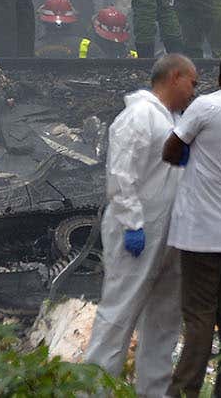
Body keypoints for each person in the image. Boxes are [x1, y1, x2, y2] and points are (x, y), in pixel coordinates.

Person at [84, 53, 195, 398]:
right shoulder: (139, 116)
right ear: (175, 77)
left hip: (169, 232)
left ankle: (154, 391)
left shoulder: (173, 120)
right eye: (192, 82)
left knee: (164, 319)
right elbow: (121, 175)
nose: (194, 91)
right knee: (119, 313)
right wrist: (132, 222)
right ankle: (92, 390)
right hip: (139, 232)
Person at [159, 44, 221, 398]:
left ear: (220, 77)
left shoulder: (206, 105)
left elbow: (170, 149)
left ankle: (183, 391)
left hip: (203, 229)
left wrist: (192, 158)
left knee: (200, 315)